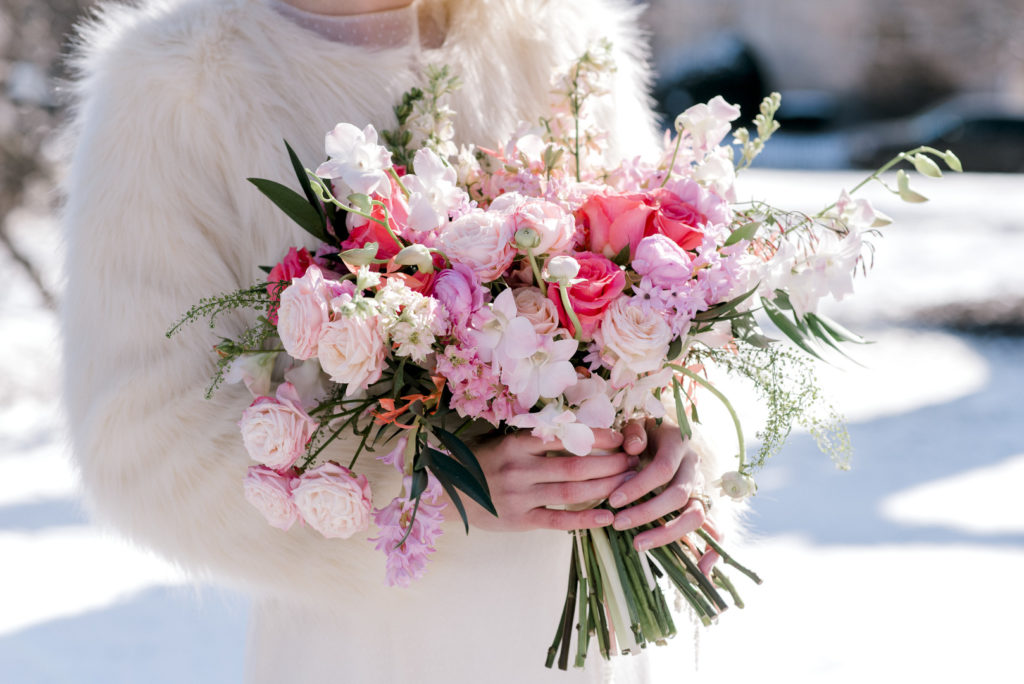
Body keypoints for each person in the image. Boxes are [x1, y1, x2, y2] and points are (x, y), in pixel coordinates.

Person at [61, 0, 736, 681]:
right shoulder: (177, 84)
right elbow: (139, 442)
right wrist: (432, 491)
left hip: (590, 629)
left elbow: (674, 295)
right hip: (375, 640)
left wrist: (679, 449)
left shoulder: (559, 38)